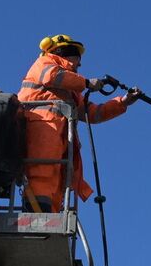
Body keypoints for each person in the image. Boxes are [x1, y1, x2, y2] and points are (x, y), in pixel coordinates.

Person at [15, 34, 138, 212]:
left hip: (57, 138)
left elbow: (93, 113)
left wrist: (124, 101)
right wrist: (87, 83)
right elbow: (52, 77)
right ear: (65, 54)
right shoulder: (44, 64)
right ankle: (37, 212)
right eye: (77, 60)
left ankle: (51, 215)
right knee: (42, 172)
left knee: (57, 177)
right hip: (41, 130)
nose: (79, 66)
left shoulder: (70, 90)